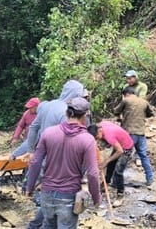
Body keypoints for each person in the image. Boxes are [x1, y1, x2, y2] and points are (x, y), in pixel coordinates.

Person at [11, 80, 84, 229]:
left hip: (43, 158)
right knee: (60, 200)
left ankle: (34, 226)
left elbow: (33, 128)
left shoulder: (47, 105)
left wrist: (31, 151)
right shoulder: (67, 113)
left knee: (51, 197)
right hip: (58, 162)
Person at [26, 97, 101, 229]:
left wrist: (29, 187)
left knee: (48, 225)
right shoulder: (87, 140)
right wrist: (96, 198)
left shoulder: (48, 133)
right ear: (85, 116)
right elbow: (93, 173)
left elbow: (35, 162)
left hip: (47, 193)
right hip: (68, 195)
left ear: (66, 113)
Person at [113, 86, 155, 185]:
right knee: (143, 156)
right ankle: (150, 178)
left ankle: (116, 181)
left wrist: (122, 117)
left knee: (124, 156)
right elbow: (151, 113)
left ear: (126, 94)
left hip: (129, 133)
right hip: (141, 133)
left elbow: (116, 111)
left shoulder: (126, 100)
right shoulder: (144, 102)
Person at [96, 120, 134, 197]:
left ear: (99, 131)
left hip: (127, 148)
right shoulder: (101, 124)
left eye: (97, 137)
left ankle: (120, 194)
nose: (97, 140)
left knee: (118, 172)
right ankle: (105, 184)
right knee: (110, 165)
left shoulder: (109, 136)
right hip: (119, 144)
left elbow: (120, 151)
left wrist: (106, 161)